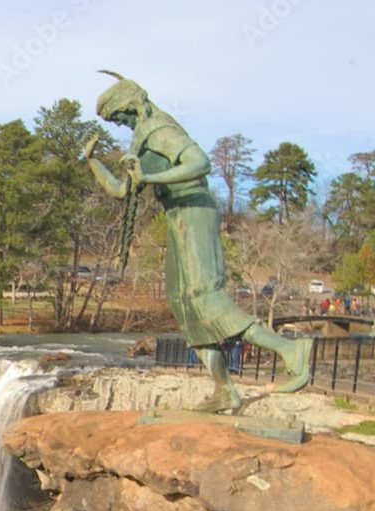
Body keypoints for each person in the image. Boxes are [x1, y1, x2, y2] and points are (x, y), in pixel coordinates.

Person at [84, 73, 310, 413]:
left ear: (131, 105)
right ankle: (223, 391)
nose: (121, 124)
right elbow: (121, 191)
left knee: (207, 298)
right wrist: (92, 160)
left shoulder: (160, 129)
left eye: (120, 117)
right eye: (116, 122)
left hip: (195, 214)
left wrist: (150, 177)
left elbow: (199, 162)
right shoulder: (141, 139)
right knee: (183, 303)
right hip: (176, 218)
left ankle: (291, 350)